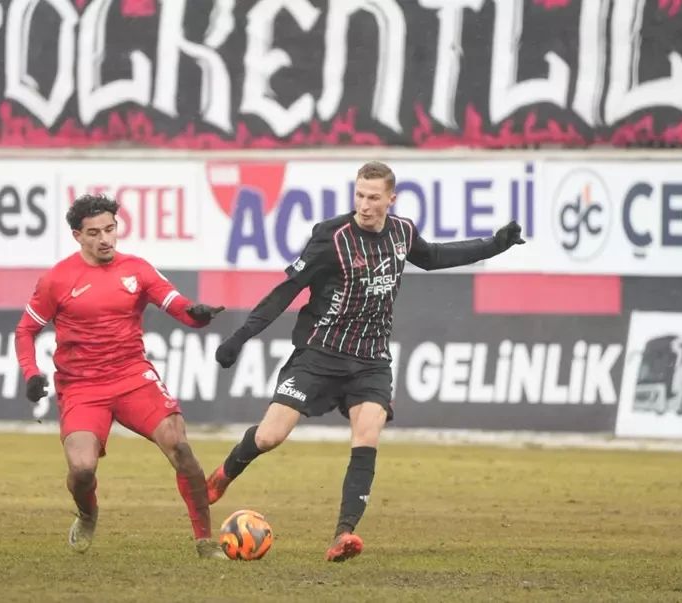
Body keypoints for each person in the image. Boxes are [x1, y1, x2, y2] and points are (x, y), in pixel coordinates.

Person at [205, 161, 525, 562]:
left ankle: (344, 534)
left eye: (374, 197)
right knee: (270, 436)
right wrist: (240, 337)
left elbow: (435, 256)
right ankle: (224, 473)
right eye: (359, 195)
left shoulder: (402, 232)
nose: (365, 205)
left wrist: (495, 244)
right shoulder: (331, 237)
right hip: (319, 354)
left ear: (391, 199)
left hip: (371, 360)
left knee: (368, 434)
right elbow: (287, 290)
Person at [14, 194, 228, 559]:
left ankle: (205, 542)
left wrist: (197, 314)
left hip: (132, 376)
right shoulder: (56, 280)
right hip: (81, 386)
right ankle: (87, 513)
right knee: (82, 470)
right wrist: (31, 373)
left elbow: (177, 305)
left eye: (110, 229)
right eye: (94, 233)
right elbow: (25, 331)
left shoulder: (137, 269)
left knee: (180, 447)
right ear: (77, 236)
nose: (105, 239)